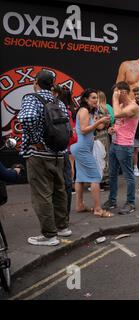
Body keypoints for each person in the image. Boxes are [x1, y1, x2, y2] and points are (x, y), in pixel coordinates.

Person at [18, 71, 72, 246]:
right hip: (58, 154)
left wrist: (36, 141)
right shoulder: (59, 102)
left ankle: (49, 235)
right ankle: (62, 227)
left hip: (39, 155)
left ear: (36, 82)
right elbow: (68, 128)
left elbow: (28, 118)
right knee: (59, 191)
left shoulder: (32, 99)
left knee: (42, 194)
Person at [71, 89, 112, 218]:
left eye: (96, 98)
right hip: (82, 148)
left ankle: (79, 205)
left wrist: (103, 122)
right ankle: (98, 209)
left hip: (82, 148)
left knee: (81, 177)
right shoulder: (83, 111)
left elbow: (95, 128)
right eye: (93, 98)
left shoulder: (88, 112)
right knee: (95, 177)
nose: (96, 100)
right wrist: (99, 122)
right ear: (86, 99)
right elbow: (83, 130)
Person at [102, 82, 139, 215]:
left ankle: (131, 203)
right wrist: (113, 129)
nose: (115, 95)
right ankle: (112, 201)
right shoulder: (122, 105)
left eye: (117, 92)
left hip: (125, 146)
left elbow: (117, 114)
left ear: (124, 92)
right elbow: (119, 121)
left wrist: (114, 98)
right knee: (112, 174)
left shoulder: (133, 107)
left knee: (128, 176)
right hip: (115, 143)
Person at [52, 85, 77, 215]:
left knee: (67, 163)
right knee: (71, 162)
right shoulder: (71, 107)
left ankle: (69, 184)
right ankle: (71, 184)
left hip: (64, 138)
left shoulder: (60, 107)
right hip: (71, 136)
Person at [96, 90, 114, 189]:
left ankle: (104, 181)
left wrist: (93, 122)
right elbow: (111, 120)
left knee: (101, 157)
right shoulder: (107, 108)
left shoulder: (100, 109)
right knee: (105, 156)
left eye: (95, 97)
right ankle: (105, 180)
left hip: (100, 135)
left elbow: (100, 126)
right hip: (105, 134)